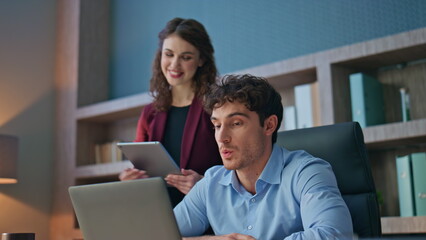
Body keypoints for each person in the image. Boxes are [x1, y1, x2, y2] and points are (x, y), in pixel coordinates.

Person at [174, 74, 354, 239]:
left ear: (269, 125)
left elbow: (333, 235)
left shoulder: (307, 172)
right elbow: (156, 235)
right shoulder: (211, 183)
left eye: (236, 123)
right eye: (217, 125)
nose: (222, 138)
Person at [119, 18, 222, 205]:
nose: (174, 65)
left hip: (206, 216)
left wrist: (205, 185)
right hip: (158, 214)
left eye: (186, 57)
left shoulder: (217, 107)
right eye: (169, 54)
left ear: (202, 60)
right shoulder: (149, 113)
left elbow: (240, 170)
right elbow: (141, 171)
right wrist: (130, 179)